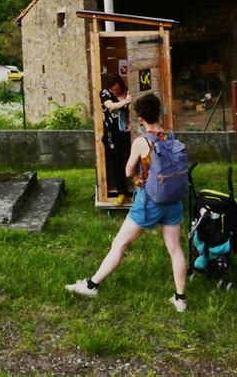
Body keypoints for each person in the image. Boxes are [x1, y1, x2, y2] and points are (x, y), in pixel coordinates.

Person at [65, 93, 187, 312]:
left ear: (140, 118)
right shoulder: (170, 136)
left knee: (120, 244)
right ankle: (180, 300)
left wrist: (136, 175)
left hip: (149, 202)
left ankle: (91, 286)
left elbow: (129, 170)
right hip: (172, 200)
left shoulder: (142, 141)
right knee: (175, 249)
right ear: (158, 113)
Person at [100, 74, 132, 206]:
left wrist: (132, 125)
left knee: (129, 160)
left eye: (117, 90)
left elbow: (133, 111)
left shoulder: (129, 91)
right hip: (111, 135)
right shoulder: (105, 93)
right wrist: (125, 102)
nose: (115, 92)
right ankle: (122, 192)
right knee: (116, 163)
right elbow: (110, 106)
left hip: (126, 134)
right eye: (113, 90)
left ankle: (135, 190)